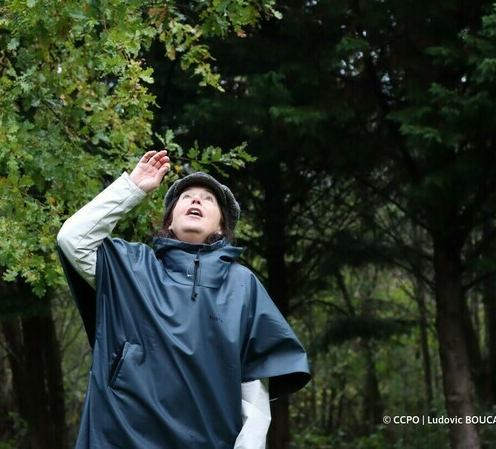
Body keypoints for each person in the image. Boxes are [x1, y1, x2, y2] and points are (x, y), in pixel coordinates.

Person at [57, 150, 310, 449]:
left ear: (220, 227)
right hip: (121, 437)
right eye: (186, 196)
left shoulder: (241, 285)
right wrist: (132, 187)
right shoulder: (130, 265)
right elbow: (73, 240)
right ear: (170, 221)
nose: (196, 200)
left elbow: (252, 389)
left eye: (208, 199)